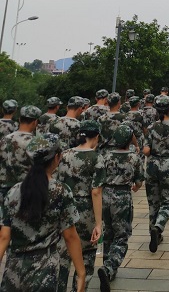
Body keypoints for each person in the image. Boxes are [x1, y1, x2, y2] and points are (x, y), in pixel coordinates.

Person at [0, 134, 85, 292]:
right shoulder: (61, 191)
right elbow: (70, 236)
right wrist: (81, 273)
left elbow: (4, 237)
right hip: (45, 270)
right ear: (57, 158)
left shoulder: (13, 192)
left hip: (13, 270)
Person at [56, 120, 105, 292]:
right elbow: (96, 192)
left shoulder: (64, 155)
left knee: (63, 256)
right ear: (96, 136)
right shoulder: (97, 158)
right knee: (86, 256)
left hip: (63, 209)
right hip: (85, 212)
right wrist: (98, 224)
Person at [98, 124, 143, 291]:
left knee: (108, 231)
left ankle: (107, 265)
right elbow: (139, 182)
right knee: (122, 235)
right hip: (122, 196)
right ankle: (109, 267)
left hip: (105, 196)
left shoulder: (105, 156)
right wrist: (135, 186)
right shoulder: (134, 158)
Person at [143, 96, 169, 253]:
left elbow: (146, 150)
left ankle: (153, 232)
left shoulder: (151, 127)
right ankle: (158, 226)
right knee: (167, 201)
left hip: (152, 165)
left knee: (153, 202)